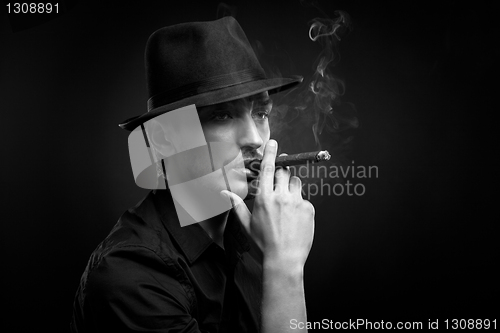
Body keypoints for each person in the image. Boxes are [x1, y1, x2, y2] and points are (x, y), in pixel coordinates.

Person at [71, 16, 315, 333]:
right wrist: (286, 269)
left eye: (260, 113)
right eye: (222, 114)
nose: (255, 137)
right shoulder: (130, 277)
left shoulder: (252, 235)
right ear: (164, 139)